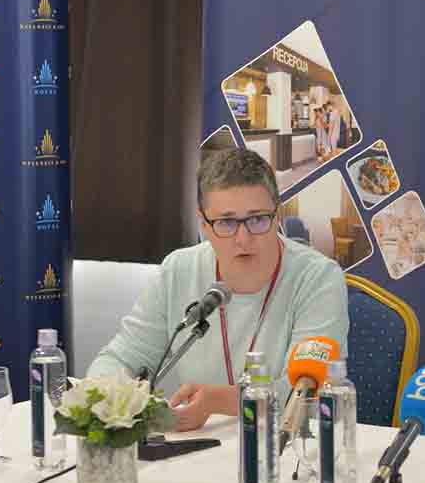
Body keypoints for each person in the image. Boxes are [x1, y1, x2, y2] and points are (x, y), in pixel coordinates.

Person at [87, 146, 349, 430]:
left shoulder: (318, 277)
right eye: (226, 222)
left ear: (277, 215)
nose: (243, 239)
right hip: (202, 444)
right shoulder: (178, 270)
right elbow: (119, 359)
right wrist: (108, 398)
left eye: (257, 219)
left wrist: (218, 401)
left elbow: (304, 392)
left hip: (289, 442)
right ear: (203, 223)